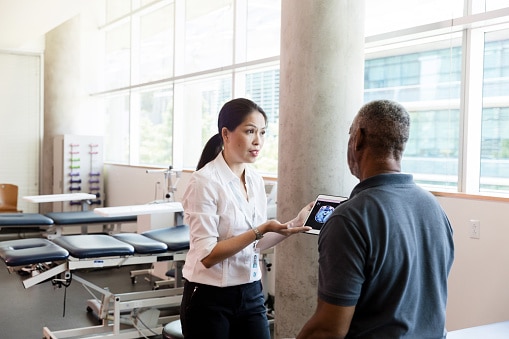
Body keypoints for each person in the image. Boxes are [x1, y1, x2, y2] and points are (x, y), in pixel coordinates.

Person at [297, 99, 455, 339]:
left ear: (358, 138)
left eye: (350, 134)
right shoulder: (433, 207)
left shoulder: (349, 219)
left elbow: (328, 329)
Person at [180, 98, 313, 339]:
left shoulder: (254, 180)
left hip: (251, 291)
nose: (258, 141)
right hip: (209, 298)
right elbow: (208, 256)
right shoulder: (204, 182)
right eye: (250, 131)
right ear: (226, 134)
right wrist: (259, 230)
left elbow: (256, 245)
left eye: (262, 133)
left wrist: (292, 224)